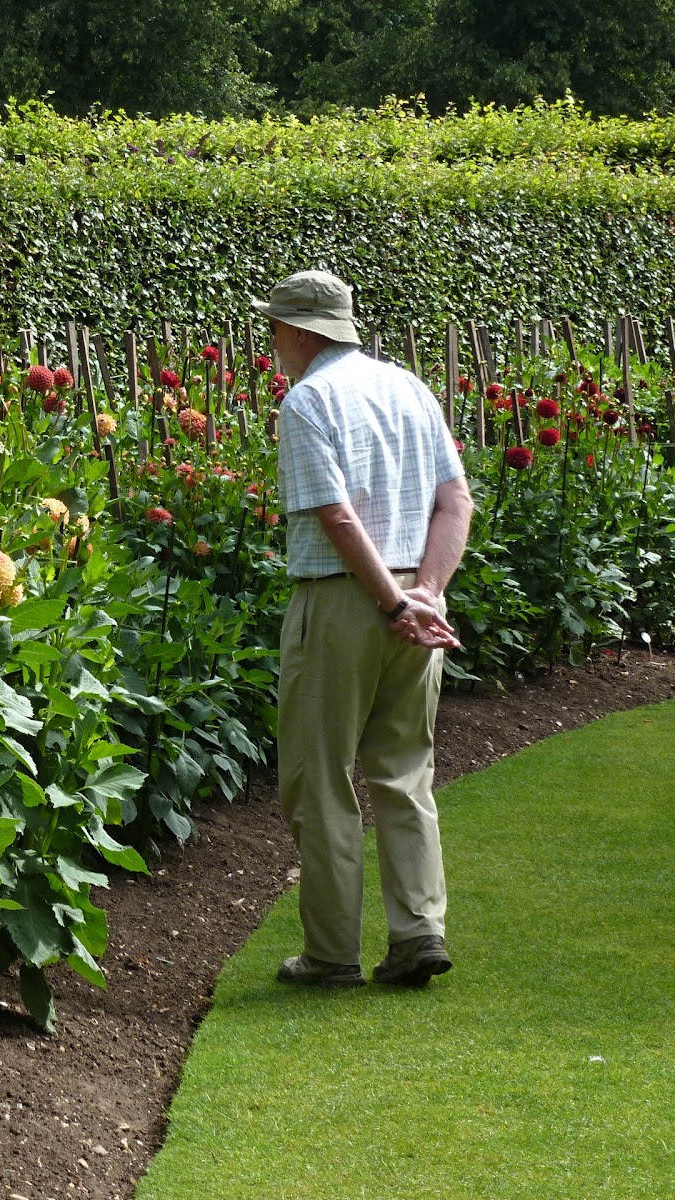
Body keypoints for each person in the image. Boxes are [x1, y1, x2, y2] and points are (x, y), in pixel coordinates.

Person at [259, 269, 473, 989]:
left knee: (319, 779)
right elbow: (455, 498)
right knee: (405, 771)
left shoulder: (308, 400)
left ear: (298, 332)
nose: (273, 343)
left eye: (274, 328)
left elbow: (338, 517)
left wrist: (391, 604)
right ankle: (420, 932)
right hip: (418, 602)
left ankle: (330, 955)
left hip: (345, 603)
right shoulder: (410, 388)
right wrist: (427, 594)